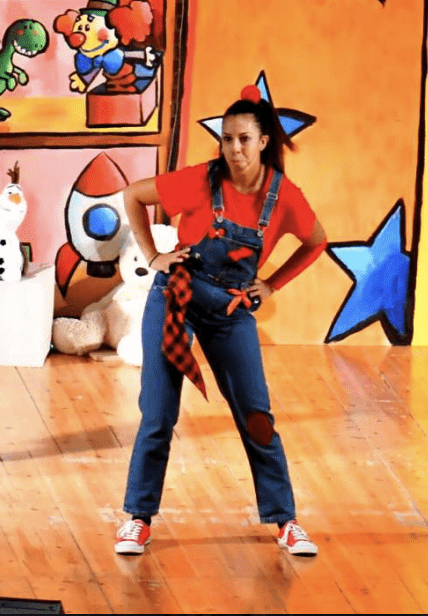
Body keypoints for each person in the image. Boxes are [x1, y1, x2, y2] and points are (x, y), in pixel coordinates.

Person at [115, 85, 328, 557]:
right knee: (158, 414)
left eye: (244, 139)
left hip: (231, 314)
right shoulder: (201, 179)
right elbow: (132, 196)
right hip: (176, 297)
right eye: (227, 139)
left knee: (257, 418)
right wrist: (153, 256)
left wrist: (271, 285)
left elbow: (317, 241)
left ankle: (286, 521)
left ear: (263, 141)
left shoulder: (284, 196)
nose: (234, 149)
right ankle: (137, 519)